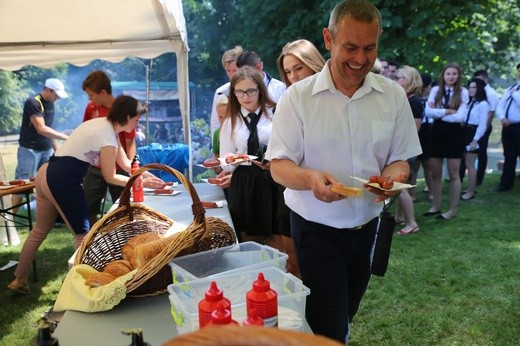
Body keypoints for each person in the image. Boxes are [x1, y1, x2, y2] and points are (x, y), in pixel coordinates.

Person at [265, 0, 421, 342]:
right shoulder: (297, 98)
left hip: (367, 229)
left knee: (346, 311)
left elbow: (401, 160)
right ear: (328, 39)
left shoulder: (392, 96)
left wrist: (393, 179)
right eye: (350, 47)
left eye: (370, 48)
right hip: (315, 230)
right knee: (329, 325)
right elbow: (278, 166)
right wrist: (309, 179)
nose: (361, 59)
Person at [7, 96, 165, 294]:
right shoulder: (108, 137)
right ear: (126, 116)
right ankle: (78, 291)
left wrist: (145, 174)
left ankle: (19, 279)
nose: (138, 123)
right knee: (83, 235)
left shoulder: (104, 126)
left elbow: (126, 164)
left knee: (39, 231)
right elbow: (110, 176)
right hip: (61, 179)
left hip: (46, 173)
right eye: (137, 119)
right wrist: (139, 182)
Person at [276, 38, 326, 278]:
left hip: (335, 205)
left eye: (298, 68)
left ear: (314, 64)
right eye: (288, 71)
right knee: (297, 265)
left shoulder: (334, 100)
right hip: (297, 199)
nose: (293, 76)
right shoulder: (288, 102)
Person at [219, 66, 283, 251]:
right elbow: (225, 161)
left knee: (277, 242)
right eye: (239, 92)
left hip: (272, 180)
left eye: (250, 91)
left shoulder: (275, 114)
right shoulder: (231, 121)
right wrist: (230, 160)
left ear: (260, 89)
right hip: (244, 182)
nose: (245, 97)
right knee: (250, 245)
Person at [81, 70, 137, 225]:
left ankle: (122, 234)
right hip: (95, 167)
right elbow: (86, 132)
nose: (89, 99)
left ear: (103, 92)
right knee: (87, 207)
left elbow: (130, 141)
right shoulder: (91, 108)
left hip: (118, 167)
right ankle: (90, 236)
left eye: (91, 95)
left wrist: (130, 167)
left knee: (123, 209)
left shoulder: (121, 109)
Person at [12, 78, 70, 211]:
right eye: (56, 94)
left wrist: (58, 151)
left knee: (48, 183)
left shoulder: (51, 104)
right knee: (22, 185)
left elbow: (50, 130)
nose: (58, 98)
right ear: (48, 90)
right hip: (29, 150)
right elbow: (42, 129)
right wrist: (65, 137)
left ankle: (50, 217)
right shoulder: (33, 102)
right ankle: (11, 221)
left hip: (46, 150)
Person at [424, 62, 469, 220]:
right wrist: (447, 111)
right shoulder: (436, 90)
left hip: (454, 135)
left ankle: (452, 210)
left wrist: (438, 113)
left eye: (454, 74)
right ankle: (435, 206)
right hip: (437, 133)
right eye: (448, 74)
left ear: (458, 76)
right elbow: (428, 112)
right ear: (443, 75)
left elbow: (461, 117)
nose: (451, 77)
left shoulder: (463, 92)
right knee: (435, 173)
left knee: (453, 174)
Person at [394, 66, 423, 235]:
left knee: (399, 185)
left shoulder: (414, 101)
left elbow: (414, 129)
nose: (397, 80)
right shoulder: (407, 98)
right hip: (403, 147)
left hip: (406, 149)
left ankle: (412, 223)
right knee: (400, 185)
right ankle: (399, 217)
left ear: (410, 79)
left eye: (400, 77)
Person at [491, 63, 520, 192]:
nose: (519, 74)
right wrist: (502, 118)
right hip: (508, 126)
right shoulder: (511, 88)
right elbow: (500, 105)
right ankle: (506, 183)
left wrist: (515, 94)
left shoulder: (514, 91)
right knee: (509, 155)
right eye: (518, 71)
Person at [460, 78, 489, 200]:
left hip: (475, 133)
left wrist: (475, 140)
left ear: (479, 89)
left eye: (474, 87)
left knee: (470, 163)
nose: (471, 89)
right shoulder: (471, 102)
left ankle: (471, 191)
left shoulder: (483, 104)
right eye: (470, 87)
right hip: (467, 132)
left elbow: (483, 124)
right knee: (467, 162)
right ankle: (470, 188)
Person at [472, 69, 500, 186]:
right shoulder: (475, 91)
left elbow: (491, 113)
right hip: (473, 126)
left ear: (485, 79)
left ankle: (479, 178)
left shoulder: (491, 93)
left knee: (481, 152)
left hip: (484, 126)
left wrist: (484, 130)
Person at [210, 46, 243, 136]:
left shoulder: (253, 91)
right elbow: (215, 124)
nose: (231, 74)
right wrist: (217, 146)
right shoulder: (220, 92)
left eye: (234, 70)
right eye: (228, 71)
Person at [412, 73, 434, 200]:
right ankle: (412, 194)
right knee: (415, 166)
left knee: (428, 166)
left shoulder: (429, 99)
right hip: (420, 132)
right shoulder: (417, 100)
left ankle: (431, 191)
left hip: (427, 133)